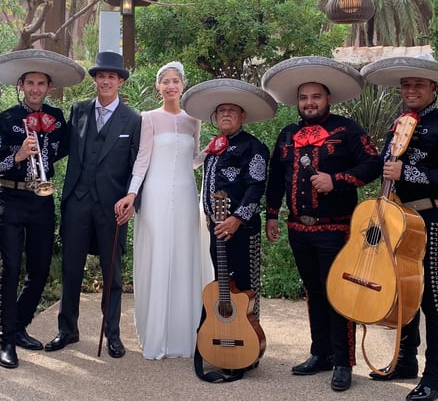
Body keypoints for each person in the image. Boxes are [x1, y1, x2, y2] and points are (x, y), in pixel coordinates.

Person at [262, 56, 382, 392]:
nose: (309, 103)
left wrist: (338, 180)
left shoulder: (347, 130)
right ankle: (321, 353)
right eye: (303, 97)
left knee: (338, 293)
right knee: (313, 291)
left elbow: (374, 163)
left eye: (316, 96)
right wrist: (272, 214)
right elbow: (275, 178)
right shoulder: (287, 134)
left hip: (336, 228)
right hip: (298, 229)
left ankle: (343, 362)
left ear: (328, 98)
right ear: (297, 102)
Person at [360, 55, 438, 401]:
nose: (411, 90)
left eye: (418, 85)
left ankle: (435, 377)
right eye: (406, 85)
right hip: (397, 218)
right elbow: (385, 166)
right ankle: (405, 361)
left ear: (433, 89)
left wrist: (408, 174)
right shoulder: (397, 124)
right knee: (401, 290)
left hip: (430, 219)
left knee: (430, 296)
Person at [0, 49, 85, 369]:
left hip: (42, 199)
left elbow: (69, 147)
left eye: (42, 83)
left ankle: (19, 326)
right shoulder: (5, 120)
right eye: (31, 83)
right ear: (21, 85)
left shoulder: (56, 118)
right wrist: (18, 156)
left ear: (49, 87)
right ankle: (5, 338)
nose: (36, 89)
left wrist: (43, 159)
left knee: (40, 270)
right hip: (11, 199)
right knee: (11, 268)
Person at [44, 51, 141, 359]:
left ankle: (112, 334)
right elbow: (59, 148)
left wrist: (132, 201)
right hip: (77, 201)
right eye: (101, 76)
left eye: (112, 76)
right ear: (96, 80)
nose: (105, 81)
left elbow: (138, 165)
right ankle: (67, 329)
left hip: (112, 206)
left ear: (120, 81)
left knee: (112, 274)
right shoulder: (79, 111)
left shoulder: (133, 119)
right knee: (71, 269)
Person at [113, 61, 205, 360]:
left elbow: (193, 159)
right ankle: (157, 335)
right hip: (155, 192)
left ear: (183, 84)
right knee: (157, 255)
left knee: (183, 256)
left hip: (186, 193)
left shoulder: (195, 120)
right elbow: (142, 159)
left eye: (175, 80)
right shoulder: (148, 118)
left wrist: (216, 148)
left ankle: (183, 335)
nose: (170, 86)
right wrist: (131, 193)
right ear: (157, 86)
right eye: (165, 81)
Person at [181, 78, 275, 318]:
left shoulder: (253, 147)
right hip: (217, 227)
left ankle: (248, 341)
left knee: (245, 287)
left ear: (242, 116)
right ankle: (222, 335)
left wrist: (236, 219)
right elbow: (208, 185)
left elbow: (256, 187)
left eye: (231, 111)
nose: (225, 114)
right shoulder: (214, 148)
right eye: (221, 110)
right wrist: (210, 215)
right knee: (222, 283)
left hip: (241, 228)